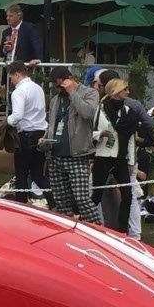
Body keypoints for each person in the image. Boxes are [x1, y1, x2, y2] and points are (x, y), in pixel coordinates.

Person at [91, 79, 154, 233]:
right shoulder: (100, 110)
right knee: (96, 195)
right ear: (116, 91)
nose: (128, 92)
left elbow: (131, 138)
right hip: (103, 157)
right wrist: (100, 134)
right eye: (125, 89)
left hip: (121, 158)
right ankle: (93, 226)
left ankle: (122, 230)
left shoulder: (128, 112)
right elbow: (89, 133)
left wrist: (131, 161)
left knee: (128, 195)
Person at [41, 65, 100, 223]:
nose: (58, 87)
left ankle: (98, 227)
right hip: (55, 155)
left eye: (60, 84)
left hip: (77, 154)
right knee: (61, 200)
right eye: (56, 85)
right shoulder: (55, 99)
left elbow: (88, 113)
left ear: (70, 79)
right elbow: (53, 123)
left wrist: (72, 92)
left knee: (82, 199)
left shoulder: (90, 93)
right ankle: (66, 230)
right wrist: (45, 138)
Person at [5, 61, 49, 202]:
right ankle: (55, 201)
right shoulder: (38, 88)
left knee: (21, 173)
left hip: (26, 135)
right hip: (41, 133)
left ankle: (21, 203)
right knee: (37, 174)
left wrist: (6, 121)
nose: (11, 81)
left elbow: (17, 115)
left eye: (11, 77)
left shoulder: (19, 91)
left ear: (17, 74)